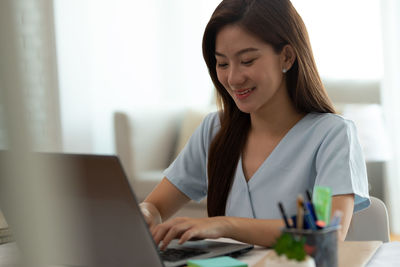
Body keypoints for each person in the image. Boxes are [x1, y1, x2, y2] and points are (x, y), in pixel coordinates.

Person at [139, 0, 369, 249]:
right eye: (223, 64)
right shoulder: (214, 129)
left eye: (247, 61)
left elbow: (326, 234)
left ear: (287, 57)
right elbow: (155, 206)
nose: (233, 78)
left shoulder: (332, 135)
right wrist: (144, 213)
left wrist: (224, 225)